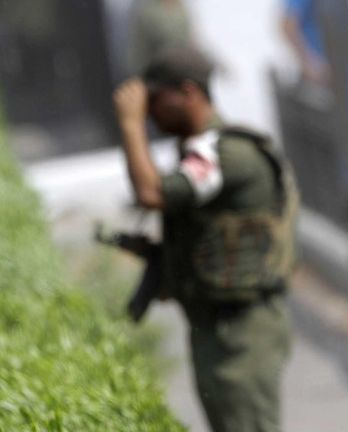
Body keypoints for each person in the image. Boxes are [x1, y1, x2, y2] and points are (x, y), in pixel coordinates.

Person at [112, 45, 297, 432]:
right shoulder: (201, 151)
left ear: (189, 93)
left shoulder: (223, 153)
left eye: (156, 101)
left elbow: (152, 194)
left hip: (242, 335)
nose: (150, 113)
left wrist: (129, 124)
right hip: (219, 329)